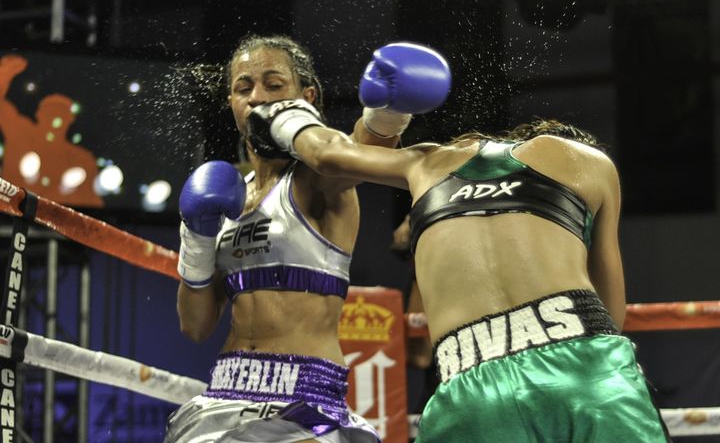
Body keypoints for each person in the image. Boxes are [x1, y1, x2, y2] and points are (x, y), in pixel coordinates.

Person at [246, 106, 672, 442]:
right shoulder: (588, 162)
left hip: (468, 383)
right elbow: (612, 315)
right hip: (584, 368)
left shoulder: (430, 161)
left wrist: (281, 115)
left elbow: (327, 155)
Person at [164, 35, 451, 443]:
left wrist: (386, 115)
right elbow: (195, 326)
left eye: (274, 84)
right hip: (222, 393)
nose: (257, 97)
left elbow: (353, 154)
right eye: (244, 88)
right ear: (232, 103)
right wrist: (196, 236)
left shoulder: (317, 179)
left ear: (307, 96)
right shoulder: (227, 198)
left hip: (303, 397)